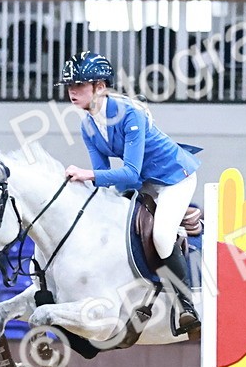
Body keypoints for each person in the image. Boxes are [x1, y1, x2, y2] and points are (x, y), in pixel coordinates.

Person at [58, 51, 202, 332]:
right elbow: (106, 177)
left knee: (161, 236)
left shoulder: (129, 114)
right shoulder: (88, 125)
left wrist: (88, 175)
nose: (72, 92)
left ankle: (186, 306)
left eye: (79, 85)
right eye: (69, 87)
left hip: (174, 179)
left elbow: (129, 172)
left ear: (100, 87)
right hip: (144, 184)